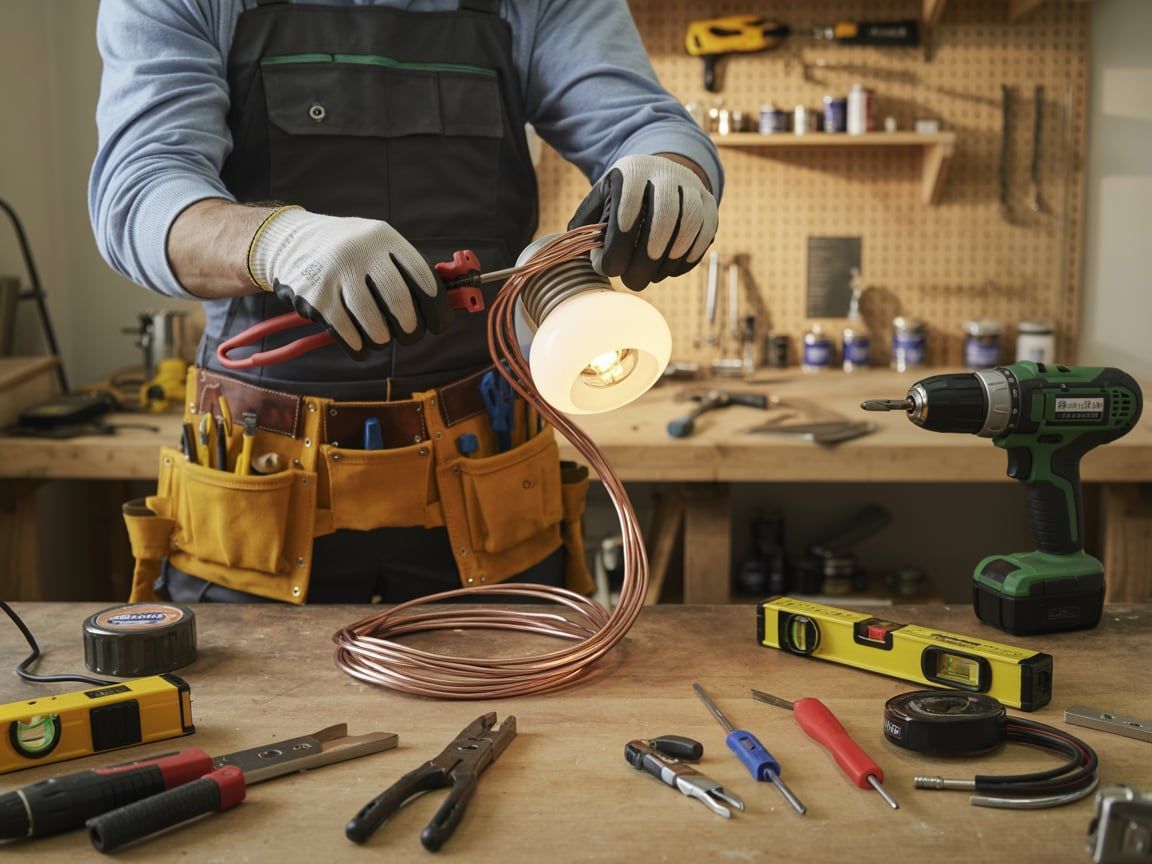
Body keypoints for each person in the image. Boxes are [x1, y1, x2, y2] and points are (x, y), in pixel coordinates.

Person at [90, 0, 722, 605]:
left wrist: (673, 166)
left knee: (530, 706)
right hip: (262, 485)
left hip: (485, 470)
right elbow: (139, 192)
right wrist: (275, 241)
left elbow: (644, 123)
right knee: (245, 713)